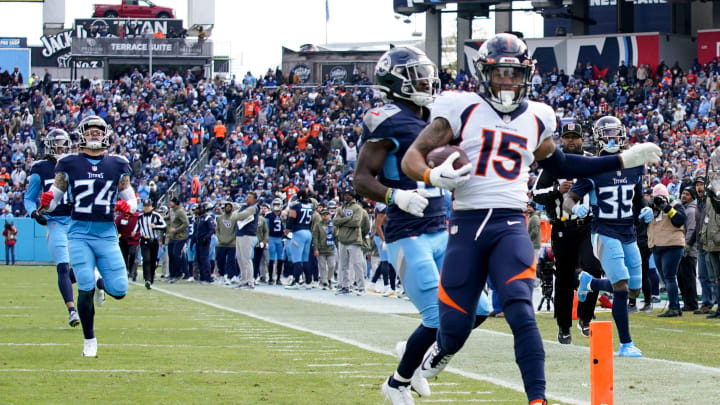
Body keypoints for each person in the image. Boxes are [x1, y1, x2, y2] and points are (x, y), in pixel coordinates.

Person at [400, 34, 660, 405]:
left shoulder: (537, 116)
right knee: (455, 329)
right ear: (484, 73)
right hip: (467, 224)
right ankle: (431, 359)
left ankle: (537, 399)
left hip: (510, 222)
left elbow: (564, 164)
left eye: (514, 73)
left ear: (526, 75)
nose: (507, 81)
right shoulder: (461, 107)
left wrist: (621, 160)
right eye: (500, 73)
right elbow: (414, 155)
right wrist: (431, 177)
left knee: (521, 310)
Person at [353, 46, 490, 403]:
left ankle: (416, 357)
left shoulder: (438, 116)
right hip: (404, 230)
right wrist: (394, 197)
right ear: (395, 81)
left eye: (426, 73)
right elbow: (361, 179)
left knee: (480, 310)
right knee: (435, 317)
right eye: (416, 74)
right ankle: (396, 384)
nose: (426, 81)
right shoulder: (386, 119)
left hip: (442, 228)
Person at [40, 115, 138, 357]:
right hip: (79, 232)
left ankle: (100, 284)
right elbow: (54, 199)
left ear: (105, 134)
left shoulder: (118, 163)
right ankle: (89, 341)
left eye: (98, 130)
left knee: (120, 290)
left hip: (106, 234)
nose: (94, 134)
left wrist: (128, 207)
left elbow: (132, 199)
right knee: (84, 285)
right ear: (82, 134)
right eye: (90, 130)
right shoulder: (69, 162)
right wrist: (47, 203)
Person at [566, 116, 653, 357]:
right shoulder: (592, 167)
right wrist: (574, 208)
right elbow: (568, 199)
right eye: (607, 134)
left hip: (629, 232)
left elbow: (638, 196)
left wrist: (645, 207)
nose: (612, 139)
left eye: (616, 134)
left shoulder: (634, 165)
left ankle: (591, 283)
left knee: (635, 289)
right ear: (598, 138)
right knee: (622, 286)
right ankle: (626, 343)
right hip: (604, 232)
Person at [532, 120, 604, 343]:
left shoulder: (592, 162)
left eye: (575, 136)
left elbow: (605, 187)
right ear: (561, 140)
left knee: (593, 267)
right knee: (563, 278)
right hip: (562, 227)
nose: (571, 140)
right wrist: (556, 190)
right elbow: (535, 194)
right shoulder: (553, 164)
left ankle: (585, 316)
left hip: (588, 226)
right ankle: (564, 326)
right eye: (567, 137)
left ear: (582, 139)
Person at [24, 128, 80, 327]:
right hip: (55, 221)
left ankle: (87, 281)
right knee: (63, 267)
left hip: (76, 220)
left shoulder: (74, 165)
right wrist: (34, 213)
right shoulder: (40, 168)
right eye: (56, 144)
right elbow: (29, 198)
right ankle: (72, 311)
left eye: (62, 144)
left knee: (84, 265)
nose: (59, 147)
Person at [643, 184, 687, 317]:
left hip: (672, 245)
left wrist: (667, 207)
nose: (658, 200)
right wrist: (649, 208)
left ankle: (674, 307)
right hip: (657, 246)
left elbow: (680, 220)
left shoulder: (675, 204)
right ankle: (674, 306)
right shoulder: (653, 209)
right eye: (656, 197)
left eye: (660, 197)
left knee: (669, 277)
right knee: (665, 278)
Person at [332, 187, 364, 295]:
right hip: (342, 240)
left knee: (357, 264)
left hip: (354, 239)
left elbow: (356, 223)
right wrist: (347, 219)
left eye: (348, 194)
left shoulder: (357, 208)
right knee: (343, 265)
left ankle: (361, 287)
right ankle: (345, 286)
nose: (346, 196)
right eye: (345, 194)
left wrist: (342, 220)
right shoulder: (340, 208)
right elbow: (335, 222)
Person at [284, 189, 314, 289]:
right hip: (307, 232)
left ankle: (296, 281)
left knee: (297, 258)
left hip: (298, 232)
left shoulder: (295, 206)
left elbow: (291, 219)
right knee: (305, 259)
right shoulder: (310, 206)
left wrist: (287, 231)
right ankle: (308, 281)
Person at [138, 199, 166, 289]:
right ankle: (147, 279)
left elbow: (164, 225)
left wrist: (156, 226)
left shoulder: (156, 215)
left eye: (148, 206)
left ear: (151, 207)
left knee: (153, 261)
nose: (146, 208)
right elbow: (137, 227)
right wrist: (134, 232)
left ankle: (151, 277)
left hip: (153, 240)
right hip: (144, 240)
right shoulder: (140, 216)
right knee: (146, 260)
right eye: (145, 206)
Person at [678, 186, 699, 312]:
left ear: (692, 196)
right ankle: (687, 302)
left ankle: (691, 303)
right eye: (683, 193)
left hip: (689, 250)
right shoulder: (685, 209)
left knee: (688, 277)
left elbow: (691, 230)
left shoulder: (691, 211)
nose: (683, 196)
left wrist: (685, 247)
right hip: (684, 248)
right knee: (682, 277)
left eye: (687, 194)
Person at [234, 192, 259, 289]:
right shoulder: (244, 206)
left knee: (246, 258)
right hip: (240, 233)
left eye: (249, 197)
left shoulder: (253, 208)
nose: (247, 199)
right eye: (247, 197)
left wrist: (235, 214)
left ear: (254, 199)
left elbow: (240, 216)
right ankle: (243, 279)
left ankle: (249, 281)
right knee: (240, 258)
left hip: (248, 234)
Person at [215, 201, 239, 285]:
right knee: (219, 260)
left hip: (231, 243)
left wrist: (231, 239)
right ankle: (222, 275)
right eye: (226, 206)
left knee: (231, 261)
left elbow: (236, 230)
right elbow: (217, 230)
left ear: (232, 208)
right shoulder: (220, 218)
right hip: (220, 243)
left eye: (229, 207)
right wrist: (220, 238)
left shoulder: (234, 218)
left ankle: (230, 276)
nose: (228, 208)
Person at [312, 207, 336, 290]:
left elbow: (336, 236)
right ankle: (324, 281)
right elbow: (315, 237)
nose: (325, 216)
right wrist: (316, 248)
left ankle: (329, 279)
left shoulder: (333, 225)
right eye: (323, 215)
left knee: (332, 265)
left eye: (327, 214)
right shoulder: (318, 225)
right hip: (321, 248)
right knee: (322, 266)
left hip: (330, 248)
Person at [167, 197, 189, 282]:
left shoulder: (180, 211)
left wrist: (176, 230)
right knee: (171, 255)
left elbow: (186, 223)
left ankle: (178, 273)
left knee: (176, 255)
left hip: (180, 237)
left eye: (171, 202)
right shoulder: (172, 210)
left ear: (175, 203)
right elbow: (168, 218)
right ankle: (172, 274)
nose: (170, 203)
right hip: (172, 236)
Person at [115, 207, 141, 282]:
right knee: (124, 257)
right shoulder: (120, 217)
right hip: (123, 240)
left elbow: (141, 226)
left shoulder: (138, 216)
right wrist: (119, 236)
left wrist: (137, 233)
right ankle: (125, 271)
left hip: (134, 240)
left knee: (133, 254)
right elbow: (116, 228)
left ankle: (133, 272)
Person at [194, 201, 215, 283]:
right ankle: (202, 276)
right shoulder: (199, 218)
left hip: (205, 241)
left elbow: (212, 229)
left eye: (201, 208)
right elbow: (196, 231)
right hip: (198, 241)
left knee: (204, 259)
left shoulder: (208, 218)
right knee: (199, 259)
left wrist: (206, 238)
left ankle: (207, 277)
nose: (199, 210)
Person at [266, 198, 286, 285]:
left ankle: (278, 278)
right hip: (271, 238)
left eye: (278, 205)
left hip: (280, 238)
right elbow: (266, 228)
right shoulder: (268, 215)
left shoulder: (284, 215)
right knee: (271, 258)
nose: (276, 207)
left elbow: (286, 226)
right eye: (275, 205)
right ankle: (271, 277)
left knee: (280, 259)